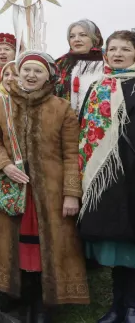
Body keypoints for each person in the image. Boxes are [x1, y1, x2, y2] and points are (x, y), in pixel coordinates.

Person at [0, 51, 89, 321]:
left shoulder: (62, 108)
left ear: (48, 77)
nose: (31, 75)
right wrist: (4, 164)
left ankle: (44, 304)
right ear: (18, 73)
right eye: (26, 70)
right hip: (13, 190)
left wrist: (71, 194)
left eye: (38, 71)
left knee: (47, 246)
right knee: (13, 245)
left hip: (51, 194)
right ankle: (15, 294)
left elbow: (71, 154)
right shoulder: (1, 106)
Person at [78, 30, 135, 323]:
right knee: (116, 242)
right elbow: (84, 132)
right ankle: (117, 306)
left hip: (132, 177)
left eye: (126, 49)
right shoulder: (98, 87)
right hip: (107, 180)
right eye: (113, 49)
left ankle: (132, 307)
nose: (118, 54)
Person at [54, 19, 105, 113]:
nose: (76, 39)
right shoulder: (60, 63)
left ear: (96, 38)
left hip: (99, 120)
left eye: (83, 35)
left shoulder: (108, 61)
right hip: (67, 121)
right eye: (72, 36)